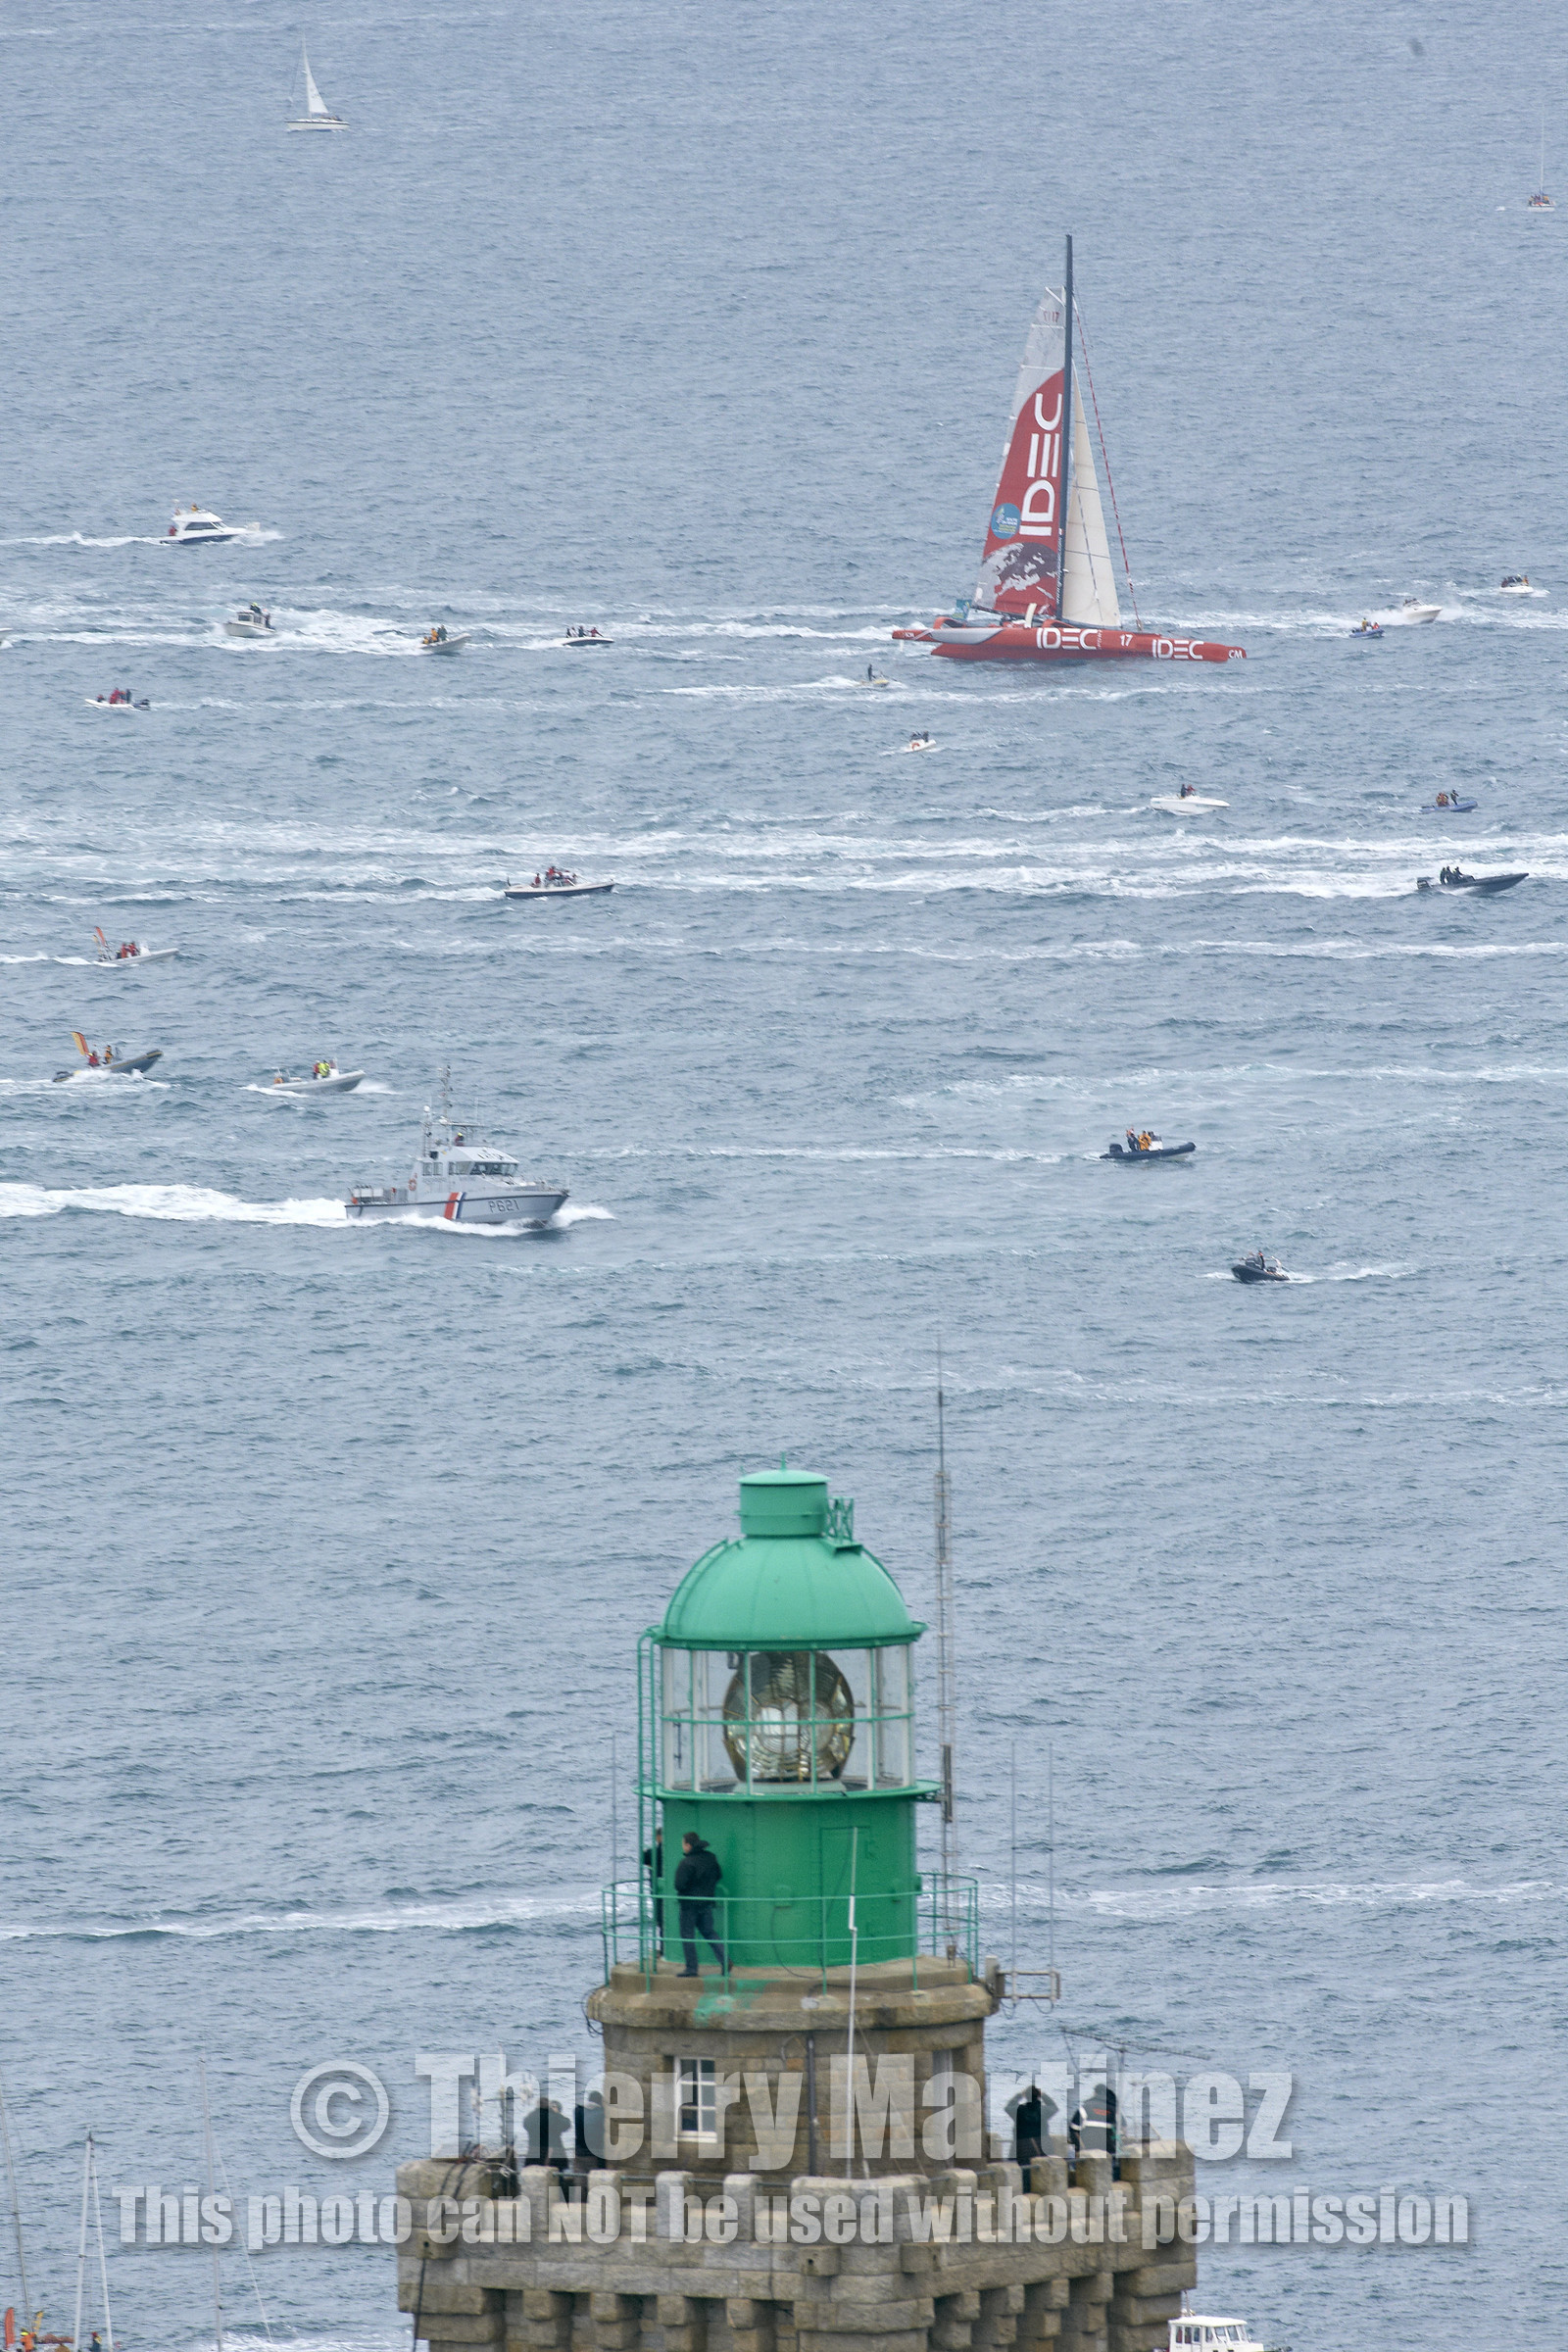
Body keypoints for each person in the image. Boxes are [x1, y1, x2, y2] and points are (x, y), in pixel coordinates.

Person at [674, 1831, 726, 1978]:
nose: (683, 1847)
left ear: (688, 1845)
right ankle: (724, 1959)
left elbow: (679, 1885)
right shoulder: (711, 1858)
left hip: (689, 1905)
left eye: (683, 1844)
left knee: (687, 1935)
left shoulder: (686, 1863)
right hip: (706, 1903)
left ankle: (692, 1968)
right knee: (709, 1932)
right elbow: (718, 1875)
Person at [643, 1826, 664, 1953]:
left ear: (658, 1837)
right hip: (677, 1890)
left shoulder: (653, 1853)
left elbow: (643, 1858)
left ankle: (664, 1948)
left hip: (659, 1891)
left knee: (662, 1920)